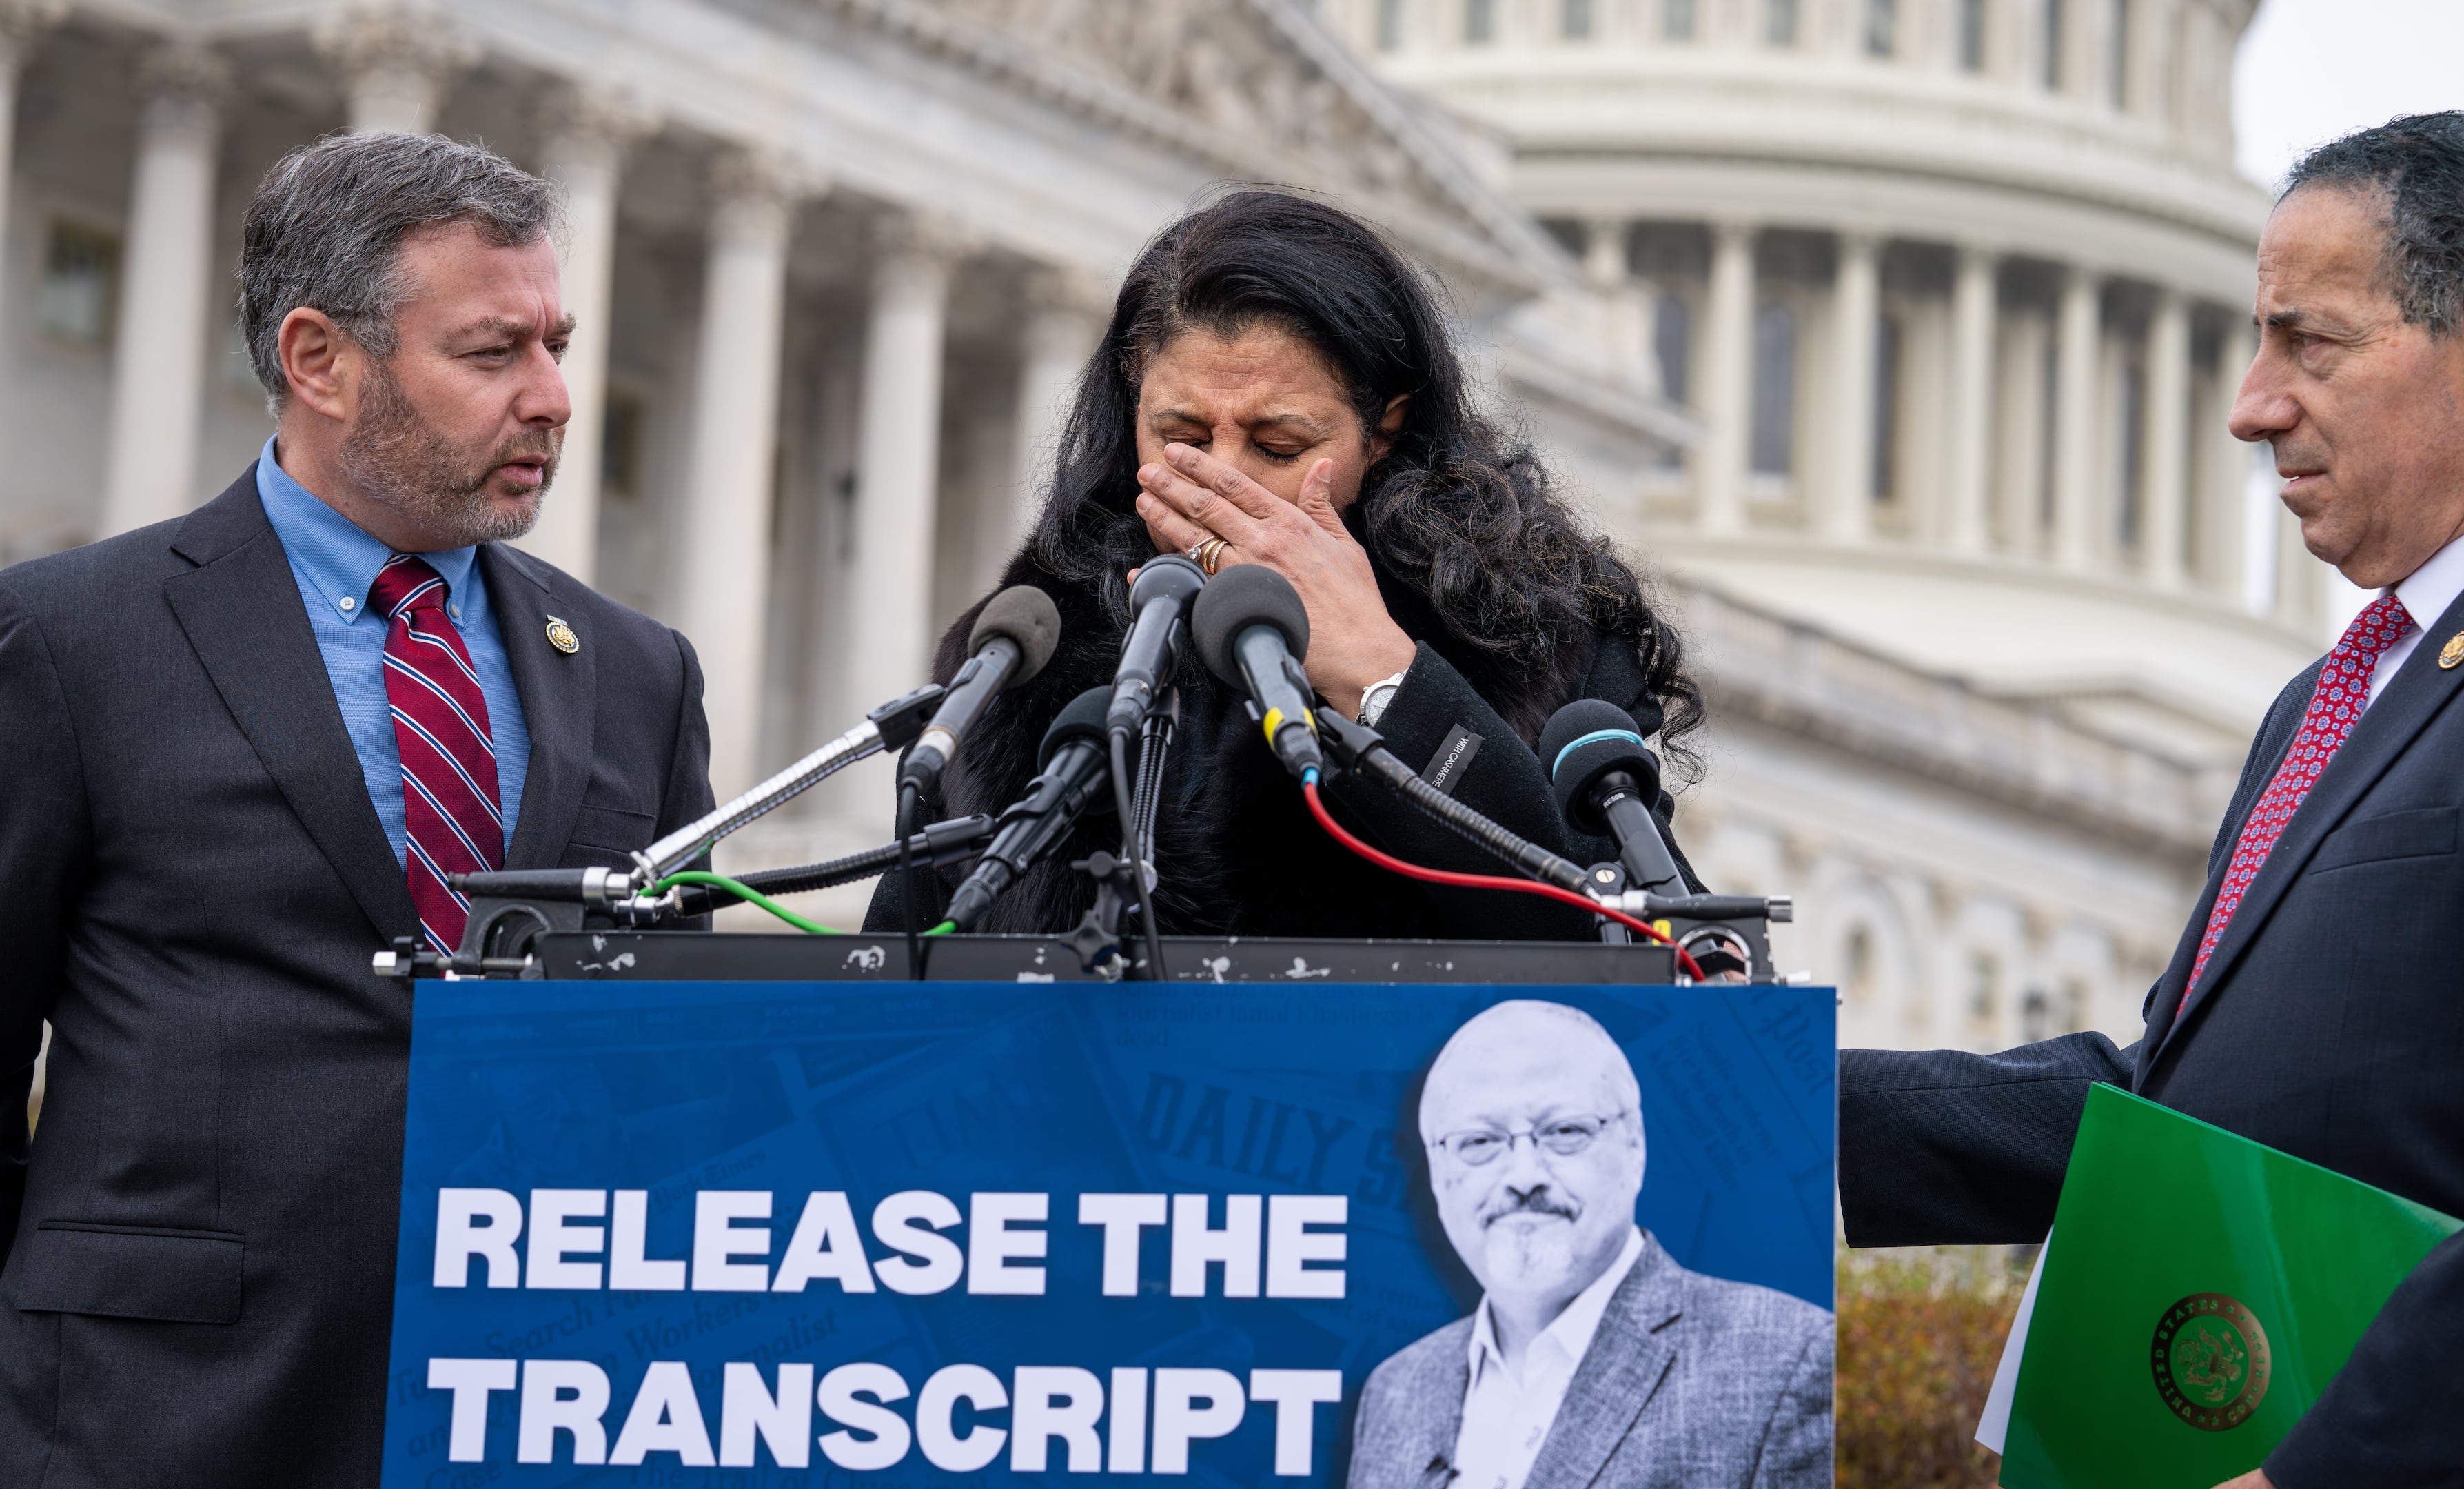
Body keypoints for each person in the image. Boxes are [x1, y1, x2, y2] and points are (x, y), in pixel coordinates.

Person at [1841, 112, 2464, 1488]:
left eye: (2308, 344)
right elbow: (2172, 1106)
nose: (2252, 404)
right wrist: (1781, 1110)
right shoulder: (2329, 701)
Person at [0, 133, 712, 1485]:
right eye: (494, 353)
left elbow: (675, 1072)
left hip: (524, 1414)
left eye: (558, 345)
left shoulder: (641, 676)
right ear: (320, 360)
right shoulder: (70, 640)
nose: (556, 397)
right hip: (152, 1422)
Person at [863, 191, 1704, 940]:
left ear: (1384, 430)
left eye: (1278, 445)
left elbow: (1651, 945)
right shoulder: (1022, 651)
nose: (1219, 479)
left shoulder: (1536, 637)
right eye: (1182, 437)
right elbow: (899, 980)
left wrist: (1386, 678)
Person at [1347, 1000, 1832, 1488]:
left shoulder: (1787, 1361)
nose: (1523, 1176)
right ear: (1437, 1171)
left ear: (1635, 1145)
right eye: (1478, 1142)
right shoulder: (1396, 1391)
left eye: (1564, 1131)